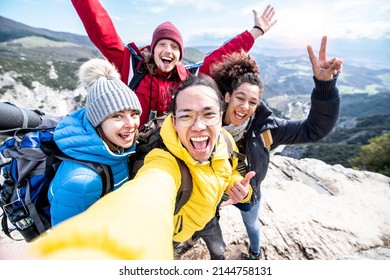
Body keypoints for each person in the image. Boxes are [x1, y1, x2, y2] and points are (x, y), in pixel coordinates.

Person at [28, 74, 256, 260]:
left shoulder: (224, 140)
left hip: (209, 217)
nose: (198, 126)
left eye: (208, 114)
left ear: (220, 116)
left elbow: (227, 167)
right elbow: (147, 194)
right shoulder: (162, 160)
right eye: (186, 116)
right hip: (175, 230)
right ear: (174, 121)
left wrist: (239, 188)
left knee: (218, 250)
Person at [183, 36, 343, 260]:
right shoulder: (206, 125)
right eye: (240, 97)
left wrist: (325, 86)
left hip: (250, 194)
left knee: (252, 226)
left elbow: (313, 129)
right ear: (227, 96)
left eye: (253, 102)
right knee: (207, 217)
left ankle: (255, 253)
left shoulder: (266, 129)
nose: (245, 107)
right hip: (215, 191)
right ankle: (193, 236)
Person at [71, 0, 277, 126]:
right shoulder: (132, 66)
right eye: (162, 44)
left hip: (168, 154)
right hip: (130, 148)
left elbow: (220, 56)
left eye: (174, 46)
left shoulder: (190, 78)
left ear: (180, 54)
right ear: (152, 49)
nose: (168, 50)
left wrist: (255, 32)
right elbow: (100, 27)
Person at [48, 58, 142, 226]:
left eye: (134, 113)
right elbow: (70, 246)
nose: (131, 124)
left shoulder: (117, 146)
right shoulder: (81, 182)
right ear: (97, 121)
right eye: (117, 115)